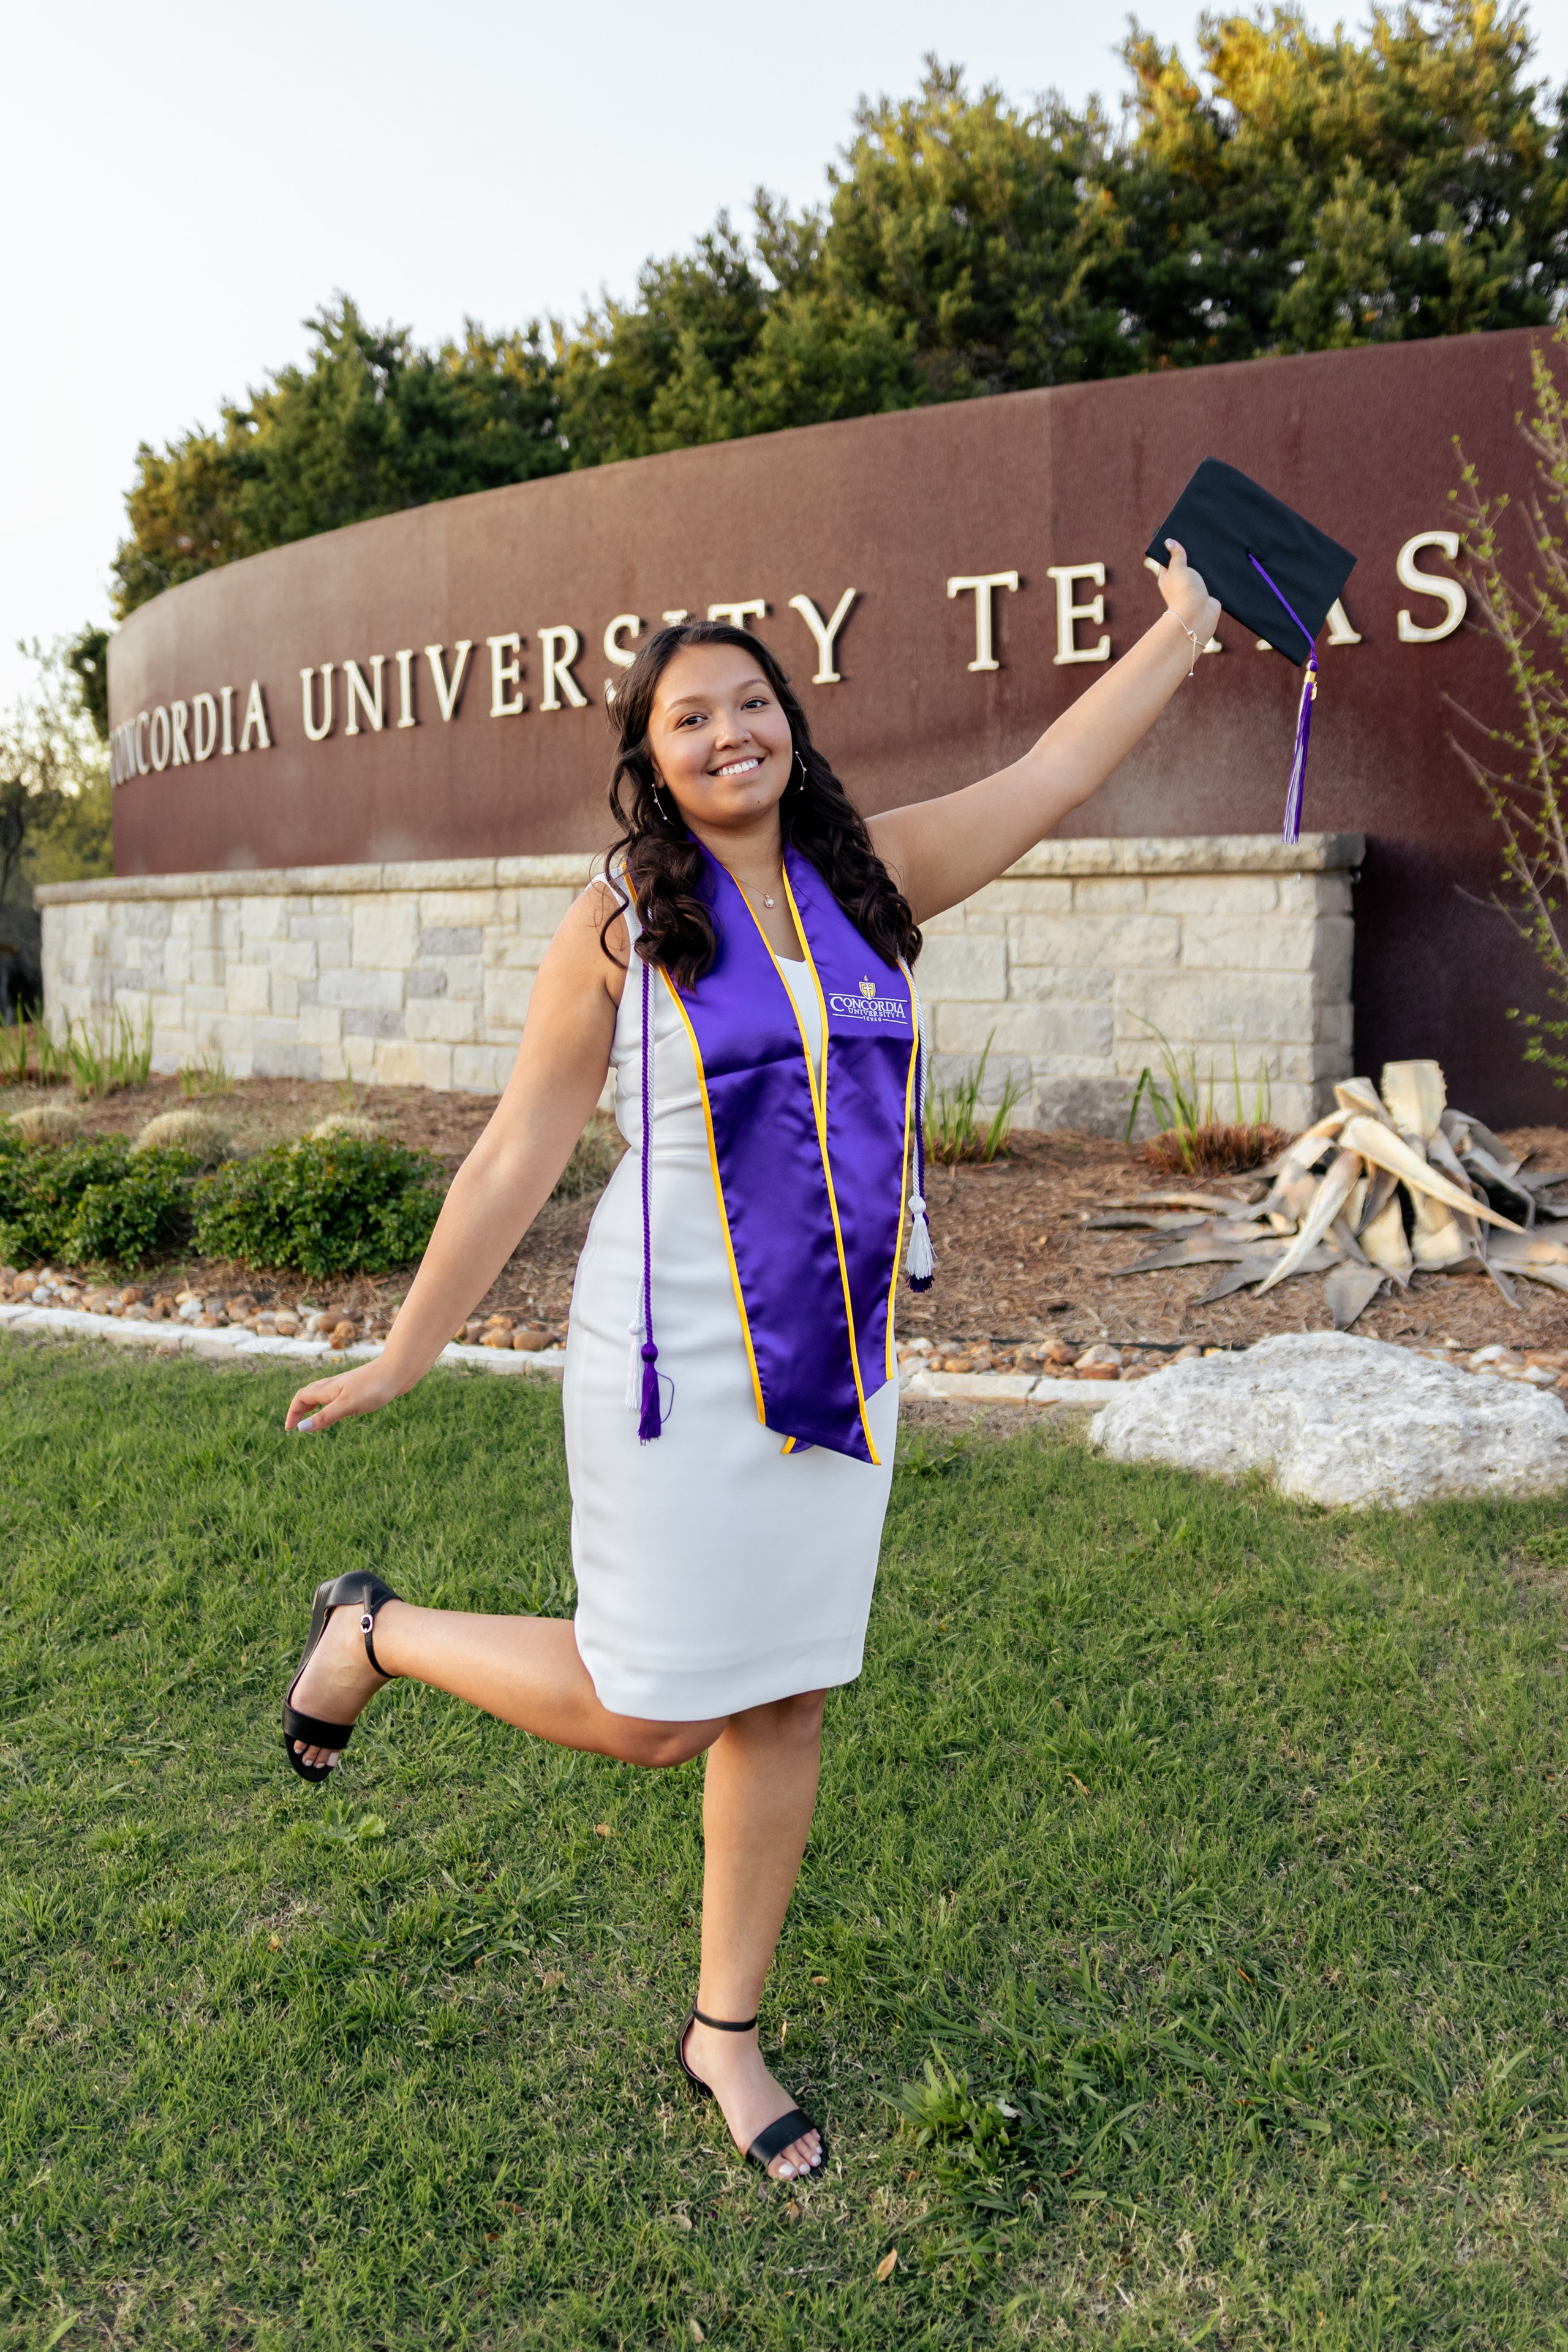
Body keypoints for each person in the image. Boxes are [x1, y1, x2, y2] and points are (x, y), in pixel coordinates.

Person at [280, 545, 1221, 2183]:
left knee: (783, 1699)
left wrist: (1192, 628)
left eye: (752, 701)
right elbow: (518, 1151)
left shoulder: (877, 881)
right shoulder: (625, 919)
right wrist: (402, 1353)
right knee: (651, 1713)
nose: (729, 731)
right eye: (689, 716)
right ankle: (373, 1629)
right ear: (650, 762)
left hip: (842, 1372)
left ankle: (726, 2029)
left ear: (796, 723)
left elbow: (1058, 768)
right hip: (673, 1372)